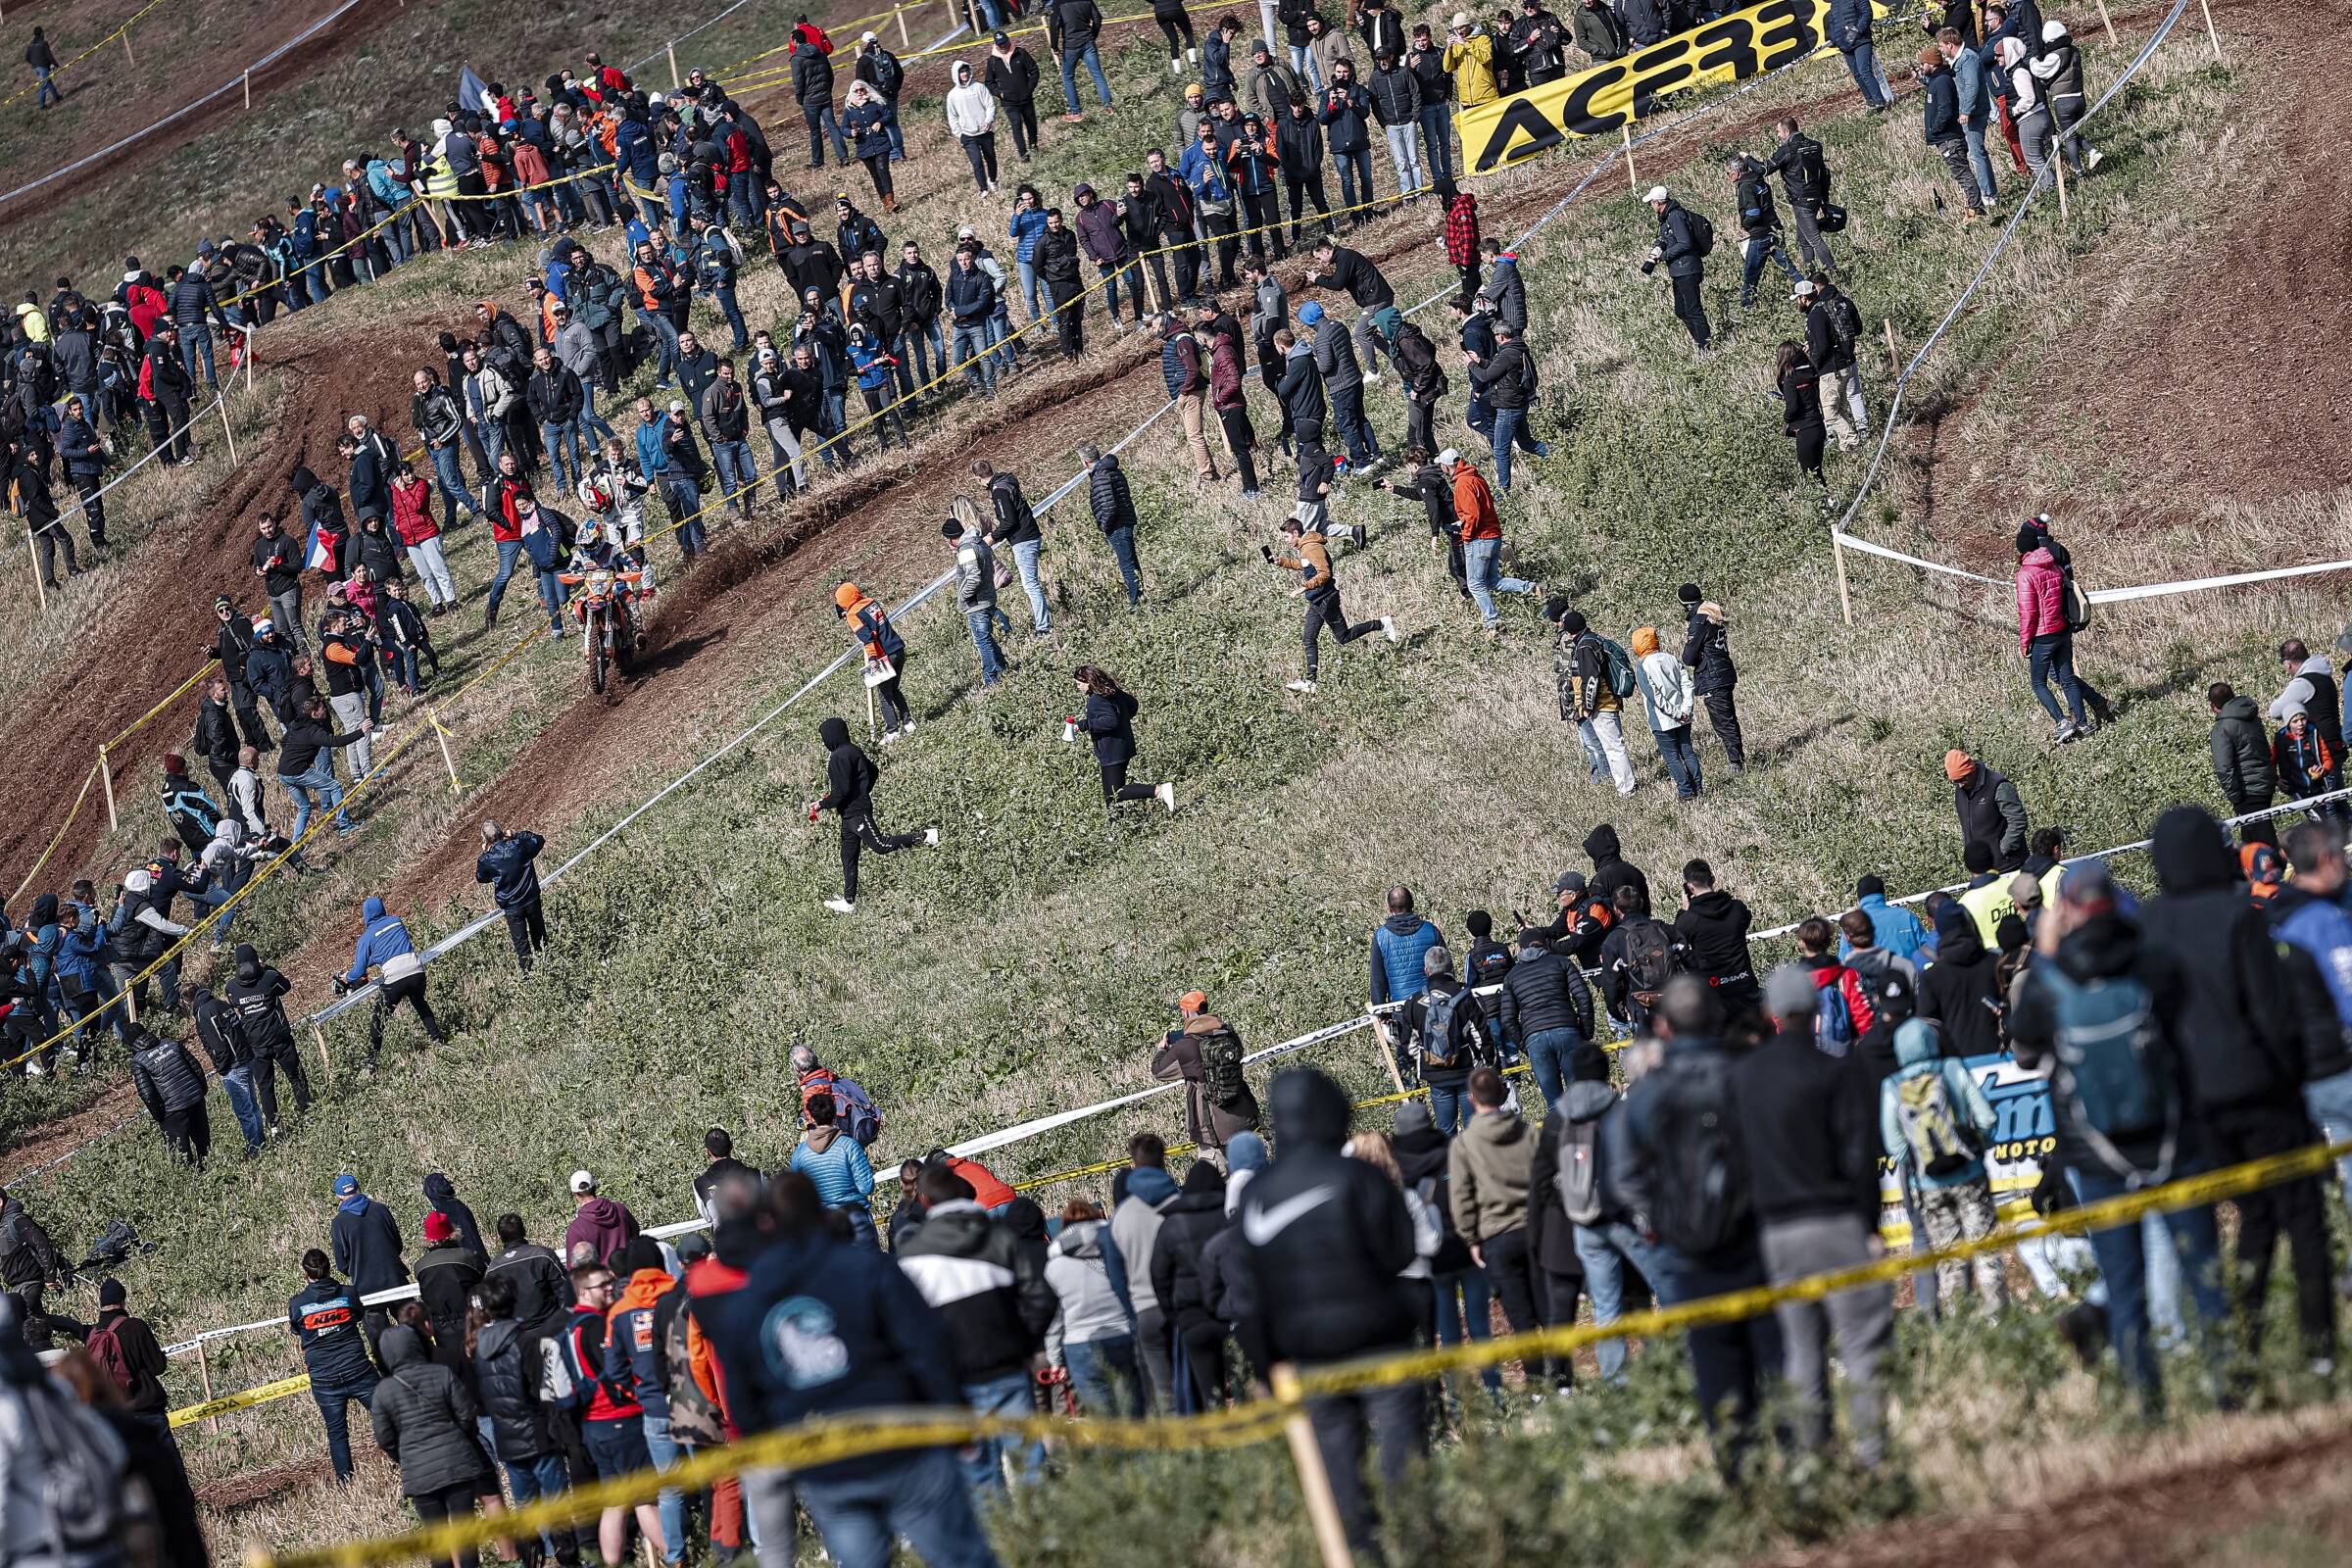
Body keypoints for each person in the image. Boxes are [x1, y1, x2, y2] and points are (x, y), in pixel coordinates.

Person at [2009, 863, 2230, 1412]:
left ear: (2069, 912)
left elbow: (2027, 1056)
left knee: (2123, 1281)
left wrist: (2046, 952)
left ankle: (2146, 1401)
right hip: (2171, 1141)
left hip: (2095, 1153)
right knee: (2202, 1269)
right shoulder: (2153, 963)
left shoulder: (2046, 984)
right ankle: (2229, 1386)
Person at [703, 1173, 1004, 1568]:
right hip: (903, 1444)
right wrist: (956, 1416)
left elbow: (744, 1403)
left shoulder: (742, 1310)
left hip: (829, 1468)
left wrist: (787, 1458)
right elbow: (926, 1346)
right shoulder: (864, 1267)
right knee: (961, 1559)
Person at [2137, 808, 2336, 1369]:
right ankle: (2318, 1345)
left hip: (2197, 1104)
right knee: (2302, 1216)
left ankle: (2241, 1346)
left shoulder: (2149, 927)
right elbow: (2273, 1014)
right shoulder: (2236, 915)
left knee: (2252, 1216)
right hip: (2261, 1087)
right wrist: (2294, 1083)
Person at [1234, 1069, 1422, 1557]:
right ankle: (1417, 1544)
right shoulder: (1359, 1176)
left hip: (1310, 1356)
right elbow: (1402, 1249)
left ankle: (1362, 1552)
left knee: (1338, 1467)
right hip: (1381, 1338)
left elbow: (1249, 1294)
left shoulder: (1256, 1195)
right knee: (1403, 1456)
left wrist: (1264, 1364)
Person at [1739, 965, 1894, 1467]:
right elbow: (1861, 1154)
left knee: (1800, 1349)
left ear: (1770, 1014)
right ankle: (1873, 1457)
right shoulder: (1836, 1071)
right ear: (1815, 1010)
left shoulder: (1743, 1079)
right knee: (1861, 1345)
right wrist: (1870, 1224)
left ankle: (1813, 1462)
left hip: (1777, 1232)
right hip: (1835, 1221)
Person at [891, 1160, 1056, 1492]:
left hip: (957, 1379)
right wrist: (1024, 1343)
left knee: (980, 1477)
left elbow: (905, 1327)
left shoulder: (911, 1256)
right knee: (1031, 1465)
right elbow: (1040, 1297)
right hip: (1008, 1366)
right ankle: (1045, 1535)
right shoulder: (999, 1239)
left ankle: (996, 1540)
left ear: (925, 1202)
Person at [1881, 1016, 2005, 1309]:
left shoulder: (1892, 1086)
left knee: (1949, 1260)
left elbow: (1894, 1146)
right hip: (1970, 1175)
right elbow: (1987, 1117)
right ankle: (1998, 1321)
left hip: (1928, 1186)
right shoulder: (1951, 1069)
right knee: (1986, 1251)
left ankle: (1959, 1329)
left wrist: (1920, 1163)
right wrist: (1979, 1146)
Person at [470, 1271, 580, 1568]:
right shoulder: (525, 1341)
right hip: (538, 1434)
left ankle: (530, 1562)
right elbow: (542, 1390)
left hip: (507, 1439)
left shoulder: (479, 1347)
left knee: (526, 1509)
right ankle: (569, 1560)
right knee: (556, 1504)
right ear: (514, 1302)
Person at [810, 714, 938, 914]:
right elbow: (874, 771)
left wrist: (821, 804)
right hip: (849, 815)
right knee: (848, 855)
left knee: (880, 845)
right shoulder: (853, 750)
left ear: (830, 737)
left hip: (857, 812)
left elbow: (840, 791)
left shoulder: (838, 757)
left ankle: (926, 836)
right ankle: (849, 901)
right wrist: (863, 789)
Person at [1265, 513, 1397, 694]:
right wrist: (1282, 562)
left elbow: (1324, 573)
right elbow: (1305, 565)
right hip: (1316, 600)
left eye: (1287, 536)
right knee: (1308, 638)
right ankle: (1311, 682)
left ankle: (1381, 623)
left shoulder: (1311, 547)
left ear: (1295, 533)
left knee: (1343, 637)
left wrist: (1303, 587)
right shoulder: (1305, 547)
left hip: (1326, 599)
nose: (1286, 540)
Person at [289, 1248, 382, 1484]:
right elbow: (358, 1315)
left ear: (304, 1272)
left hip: (324, 1378)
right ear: (330, 1267)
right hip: (358, 1368)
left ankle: (345, 1481)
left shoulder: (298, 1304)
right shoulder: (349, 1294)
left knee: (337, 1432)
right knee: (388, 1413)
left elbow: (296, 1329)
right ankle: (409, 1458)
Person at [1044, 1199, 1141, 1416]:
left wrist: (1055, 1359)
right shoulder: (1117, 1253)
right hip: (1123, 1335)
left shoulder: (1055, 1266)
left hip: (1080, 1345)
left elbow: (1056, 1319)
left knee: (1102, 1419)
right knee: (1134, 1413)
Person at [339, 895, 447, 1060]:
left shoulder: (366, 938)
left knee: (378, 1019)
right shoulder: (397, 922)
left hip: (395, 979)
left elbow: (358, 972)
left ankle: (371, 1062)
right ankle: (438, 1039)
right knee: (420, 1002)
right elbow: (389, 949)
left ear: (366, 915)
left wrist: (346, 976)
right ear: (382, 908)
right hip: (417, 971)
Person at [1545, 605, 1637, 796]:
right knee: (1613, 746)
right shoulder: (1593, 640)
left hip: (1601, 705)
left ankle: (1627, 789)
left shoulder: (1585, 647)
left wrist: (1586, 707)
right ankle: (1624, 785)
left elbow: (1591, 680)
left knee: (1614, 748)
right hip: (1606, 702)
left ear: (1570, 631)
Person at [1067, 665, 1177, 818]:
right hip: (1123, 745)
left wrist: (1083, 725)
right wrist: (1123, 722)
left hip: (1111, 751)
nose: (1077, 687)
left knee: (1114, 793)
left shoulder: (1096, 700)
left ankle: (1159, 791)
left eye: (1079, 683)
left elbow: (1110, 721)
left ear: (1088, 681)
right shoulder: (1112, 692)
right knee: (1112, 792)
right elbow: (1133, 704)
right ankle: (1116, 828)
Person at [329, 1174, 410, 1367]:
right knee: (412, 1332)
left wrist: (358, 1269)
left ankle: (392, 1384)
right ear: (358, 1187)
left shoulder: (339, 1223)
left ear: (339, 1196)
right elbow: (397, 1244)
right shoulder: (380, 1209)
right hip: (395, 1281)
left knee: (380, 1345)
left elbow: (342, 1264)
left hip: (367, 1291)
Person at [83, 1279, 171, 1443]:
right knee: (168, 1465)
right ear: (122, 1301)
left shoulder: (93, 1335)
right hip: (147, 1409)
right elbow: (158, 1366)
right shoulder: (135, 1326)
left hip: (118, 1416)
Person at [1673, 859, 1758, 1023]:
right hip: (1745, 983)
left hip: (1716, 991)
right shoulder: (1737, 908)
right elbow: (1745, 920)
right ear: (1712, 879)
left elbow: (1677, 937)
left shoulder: (1689, 920)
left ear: (1689, 887)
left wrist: (1684, 911)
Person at [791, 1090, 879, 1247]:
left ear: (812, 1117)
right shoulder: (850, 1146)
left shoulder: (800, 1153)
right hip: (855, 1218)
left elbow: (795, 1194)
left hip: (822, 1223)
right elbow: (866, 1187)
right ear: (834, 1115)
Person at [1641, 185, 1711, 351]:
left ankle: (1705, 346)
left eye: (1651, 202)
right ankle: (1702, 342)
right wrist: (1661, 244)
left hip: (1687, 269)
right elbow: (1674, 239)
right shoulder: (1667, 218)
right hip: (1680, 270)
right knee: (1681, 310)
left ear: (1658, 202)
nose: (1651, 206)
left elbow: (1685, 242)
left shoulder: (1675, 216)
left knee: (1693, 309)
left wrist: (1663, 256)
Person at [943, 510, 1006, 687]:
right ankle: (1001, 666)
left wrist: (963, 595)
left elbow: (973, 577)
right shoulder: (979, 543)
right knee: (987, 638)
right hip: (987, 597)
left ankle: (991, 677)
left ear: (950, 538)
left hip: (976, 603)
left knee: (982, 641)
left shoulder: (966, 550)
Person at [474, 820, 548, 973]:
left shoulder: (487, 859)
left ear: (486, 840)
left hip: (512, 908)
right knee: (540, 938)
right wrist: (516, 834)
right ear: (502, 833)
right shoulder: (519, 846)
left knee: (522, 949)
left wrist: (486, 853)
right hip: (531, 899)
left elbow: (481, 877)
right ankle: (549, 968)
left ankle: (529, 978)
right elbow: (538, 839)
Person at [128, 1029, 209, 1166]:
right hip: (195, 1098)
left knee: (180, 1155)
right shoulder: (171, 1043)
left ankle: (193, 1182)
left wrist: (159, 1116)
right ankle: (210, 1169)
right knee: (204, 1144)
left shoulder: (138, 1061)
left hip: (173, 1109)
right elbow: (196, 1067)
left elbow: (147, 1094)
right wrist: (201, 1090)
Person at [1946, 750, 2030, 870]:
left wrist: (2003, 850)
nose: (1960, 785)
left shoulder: (1998, 786)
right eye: (1955, 781)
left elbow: (2018, 821)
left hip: (2009, 867)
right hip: (1983, 870)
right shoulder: (1961, 790)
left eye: (1962, 779)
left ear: (1971, 770)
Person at [2208, 682, 2276, 819]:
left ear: (2213, 706)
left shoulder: (2222, 728)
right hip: (2265, 783)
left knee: (2260, 838)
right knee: (2255, 837)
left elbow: (2224, 768)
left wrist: (2236, 798)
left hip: (2247, 791)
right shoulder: (2252, 717)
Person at [564, 1171, 639, 1269]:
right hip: (630, 1275)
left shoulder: (576, 1229)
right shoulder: (620, 1209)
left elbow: (573, 1268)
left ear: (574, 1194)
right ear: (595, 1186)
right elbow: (635, 1234)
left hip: (603, 1282)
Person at [1829, 0, 1891, 109]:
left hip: (1861, 40)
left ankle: (1879, 102)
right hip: (1845, 45)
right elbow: (1832, 23)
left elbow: (1867, 13)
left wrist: (1857, 31)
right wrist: (1837, 41)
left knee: (1864, 71)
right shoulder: (1834, 3)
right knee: (1857, 75)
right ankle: (1871, 102)